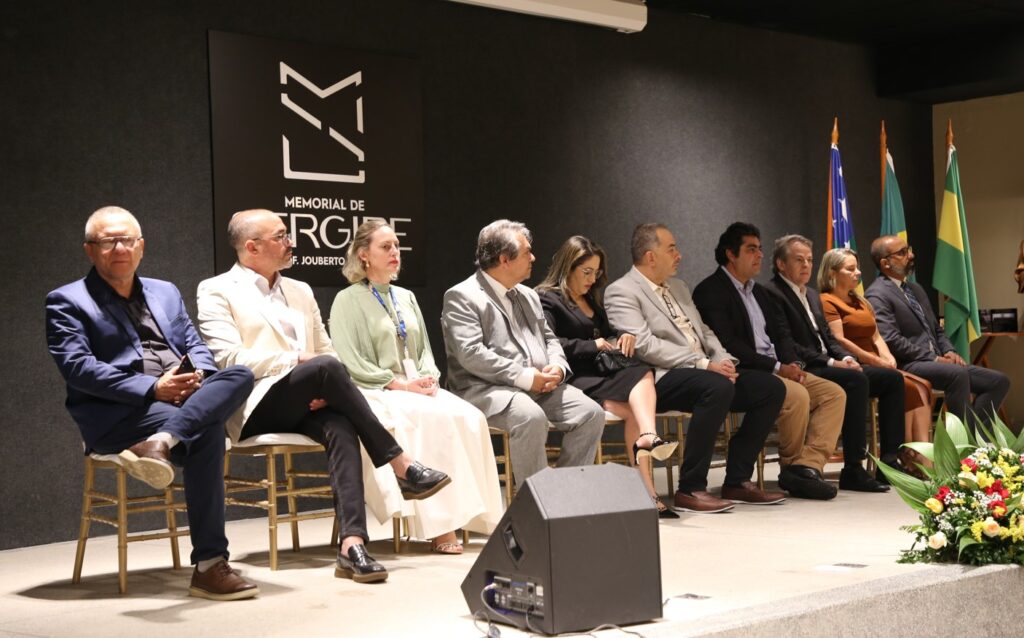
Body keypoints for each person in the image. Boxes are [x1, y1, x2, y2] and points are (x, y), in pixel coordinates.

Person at [197, 209, 450, 584]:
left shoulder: (300, 290)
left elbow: (327, 350)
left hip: (309, 398)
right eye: (281, 236)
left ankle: (352, 545)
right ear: (252, 247)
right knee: (325, 368)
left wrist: (321, 383)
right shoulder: (217, 289)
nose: (291, 242)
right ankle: (400, 463)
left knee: (341, 425)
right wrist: (299, 362)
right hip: (255, 403)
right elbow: (229, 359)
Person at [46, 206, 258, 600]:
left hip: (179, 403)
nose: (120, 248)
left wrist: (198, 378)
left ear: (141, 246)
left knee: (239, 375)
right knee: (208, 430)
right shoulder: (67, 300)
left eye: (127, 240)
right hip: (119, 415)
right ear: (90, 250)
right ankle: (210, 565)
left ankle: (163, 440)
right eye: (109, 241)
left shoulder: (165, 292)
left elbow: (194, 344)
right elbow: (79, 369)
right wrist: (153, 388)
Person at [329, 220, 503, 553]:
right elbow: (351, 361)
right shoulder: (346, 300)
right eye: (385, 247)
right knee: (426, 418)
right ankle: (441, 527)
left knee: (470, 417)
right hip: (375, 388)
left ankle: (479, 517)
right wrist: (399, 384)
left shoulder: (405, 296)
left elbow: (423, 351)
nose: (395, 252)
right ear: (364, 255)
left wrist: (426, 377)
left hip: (413, 385)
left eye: (396, 246)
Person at [605, 224, 787, 512]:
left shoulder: (678, 287)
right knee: (716, 387)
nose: (679, 255)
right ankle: (690, 488)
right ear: (651, 257)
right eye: (671, 249)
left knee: (771, 388)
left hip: (705, 371)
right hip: (658, 379)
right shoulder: (622, 291)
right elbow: (644, 346)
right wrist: (703, 363)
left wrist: (724, 360)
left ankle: (737, 480)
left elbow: (704, 331)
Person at [441, 220, 605, 488]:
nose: (533, 257)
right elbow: (470, 353)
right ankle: (535, 504)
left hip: (540, 386)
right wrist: (526, 377)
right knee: (530, 417)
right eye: (527, 252)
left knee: (591, 414)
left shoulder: (529, 295)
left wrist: (558, 368)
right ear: (504, 260)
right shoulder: (463, 296)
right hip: (485, 389)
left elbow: (550, 339)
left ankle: (564, 495)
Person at [693, 222, 845, 501]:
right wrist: (777, 368)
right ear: (730, 254)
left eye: (760, 249)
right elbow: (729, 344)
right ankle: (790, 468)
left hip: (776, 368)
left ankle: (806, 467)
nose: (760, 255)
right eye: (751, 249)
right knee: (796, 395)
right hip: (742, 371)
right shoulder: (710, 290)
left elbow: (781, 335)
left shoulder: (759, 292)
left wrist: (793, 365)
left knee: (833, 394)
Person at [536, 235, 680, 518]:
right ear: (568, 267)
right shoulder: (547, 298)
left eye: (596, 272)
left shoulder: (590, 298)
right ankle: (649, 460)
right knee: (639, 384)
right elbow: (548, 343)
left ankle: (648, 488)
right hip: (571, 378)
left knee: (639, 384)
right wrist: (593, 345)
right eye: (586, 272)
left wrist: (621, 335)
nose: (592, 279)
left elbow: (606, 332)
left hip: (599, 375)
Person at [764, 235, 903, 491]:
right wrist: (831, 362)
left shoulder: (811, 294)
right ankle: (853, 467)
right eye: (799, 260)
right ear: (781, 264)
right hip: (804, 366)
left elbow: (829, 337)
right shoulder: (772, 293)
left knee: (892, 379)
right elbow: (788, 344)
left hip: (828, 363)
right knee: (855, 381)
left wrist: (845, 358)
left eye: (809, 260)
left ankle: (889, 461)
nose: (806, 265)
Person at [864, 236, 1009, 427]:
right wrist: (934, 358)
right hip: (908, 364)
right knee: (957, 374)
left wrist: (949, 351)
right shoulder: (877, 294)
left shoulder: (915, 289)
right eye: (902, 253)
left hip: (936, 362)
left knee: (998, 381)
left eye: (909, 249)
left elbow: (935, 329)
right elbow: (892, 340)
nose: (911, 255)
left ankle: (977, 437)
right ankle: (962, 440)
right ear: (885, 263)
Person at [819, 247, 936, 476]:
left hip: (877, 363)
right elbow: (839, 339)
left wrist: (887, 357)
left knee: (922, 386)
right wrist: (874, 360)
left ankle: (916, 454)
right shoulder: (827, 301)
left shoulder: (860, 300)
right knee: (908, 385)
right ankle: (909, 456)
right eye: (850, 269)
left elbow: (876, 336)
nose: (858, 273)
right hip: (854, 363)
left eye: (857, 268)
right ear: (832, 273)